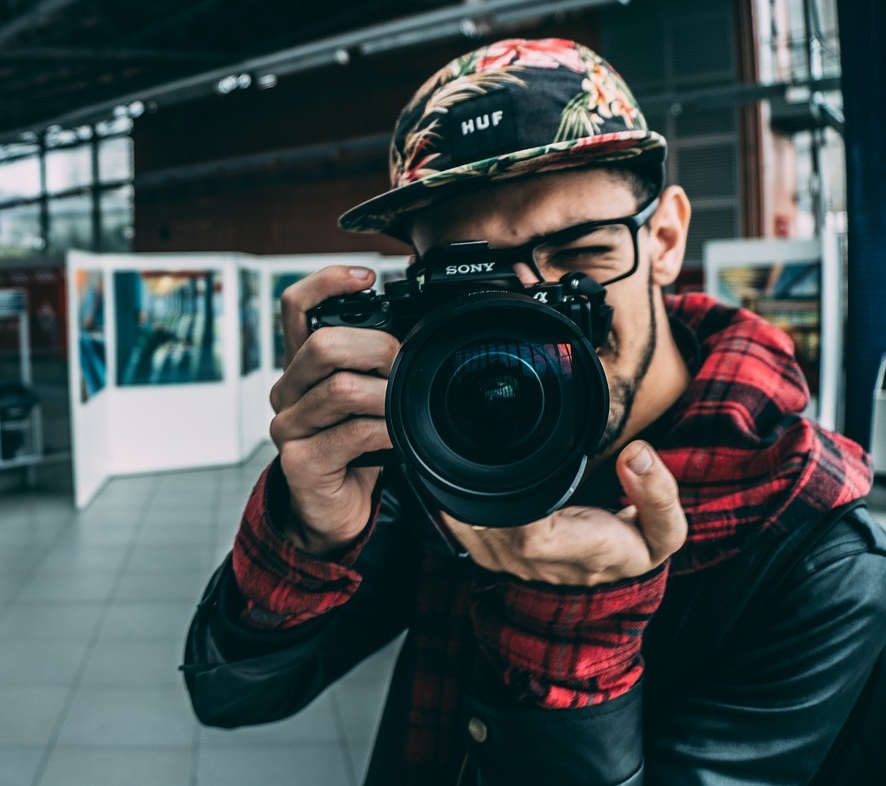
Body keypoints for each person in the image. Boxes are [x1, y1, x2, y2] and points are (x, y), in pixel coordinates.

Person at [182, 38, 886, 785]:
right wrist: (310, 536)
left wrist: (577, 644)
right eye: (473, 282)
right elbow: (230, 699)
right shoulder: (437, 442)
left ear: (667, 239)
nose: (530, 322)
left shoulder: (824, 566)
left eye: (579, 258)